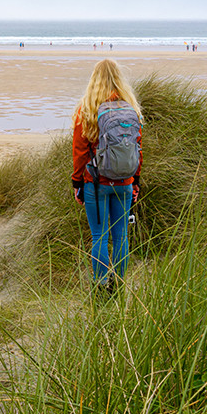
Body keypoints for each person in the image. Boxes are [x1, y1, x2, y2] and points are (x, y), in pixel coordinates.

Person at [71, 58, 142, 295]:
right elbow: (137, 149)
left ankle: (101, 286)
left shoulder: (87, 108)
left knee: (99, 236)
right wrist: (136, 181)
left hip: (97, 183)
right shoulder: (130, 108)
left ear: (94, 79)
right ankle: (119, 284)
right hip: (124, 182)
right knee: (121, 236)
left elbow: (80, 152)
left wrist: (77, 182)